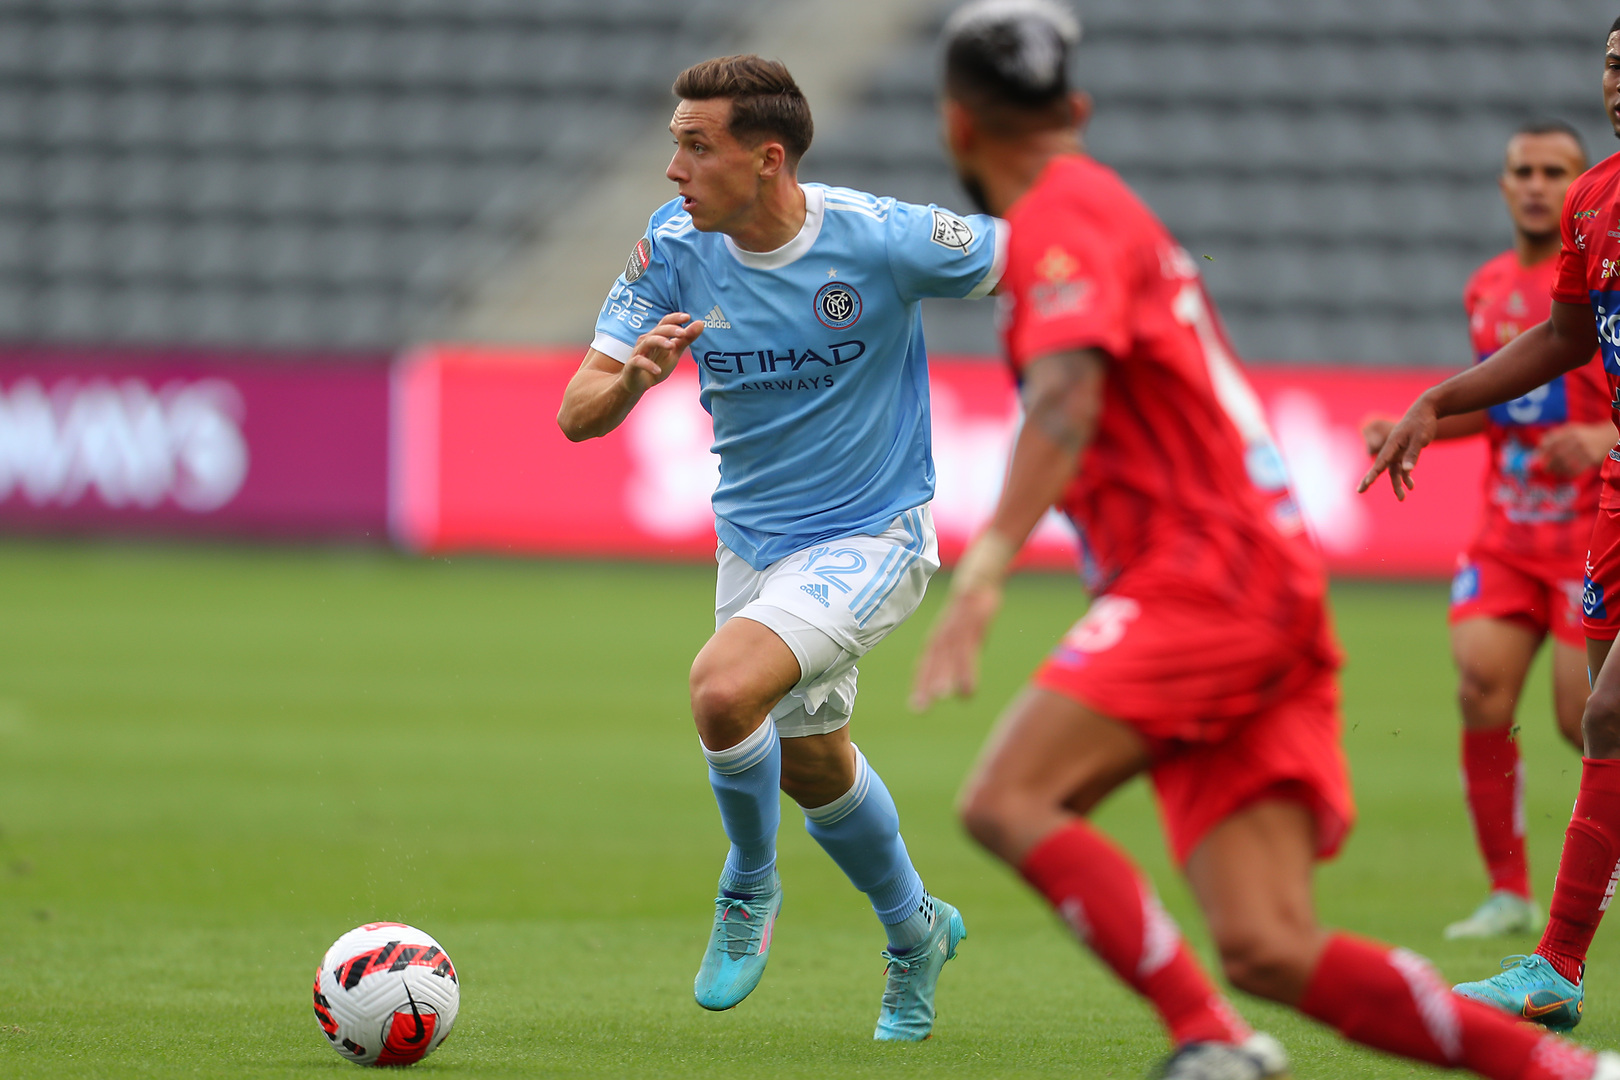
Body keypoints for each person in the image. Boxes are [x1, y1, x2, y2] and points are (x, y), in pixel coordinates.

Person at [914, 2, 1620, 1077]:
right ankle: (1571, 1071)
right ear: (1080, 109)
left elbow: (1064, 395)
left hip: (1205, 576)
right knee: (1266, 944)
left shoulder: (1061, 217)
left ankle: (1218, 1036)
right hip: (1263, 578)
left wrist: (984, 569)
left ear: (957, 125)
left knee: (1007, 800)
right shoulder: (1107, 207)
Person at [555, 54, 1006, 1040]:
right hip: (756, 543)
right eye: (674, 143)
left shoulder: (879, 239)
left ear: (766, 158)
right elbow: (575, 413)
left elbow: (1038, 257)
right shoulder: (673, 247)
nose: (674, 167)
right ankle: (917, 931)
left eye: (695, 146)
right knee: (810, 764)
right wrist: (632, 379)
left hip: (873, 533)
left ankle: (750, 884)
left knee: (723, 691)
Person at [1365, 16, 1620, 1034]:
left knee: (1599, 715)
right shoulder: (1595, 202)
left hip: (1592, 499)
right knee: (1586, 716)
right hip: (1601, 510)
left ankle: (1556, 964)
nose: (1619, 78)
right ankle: (1529, 918)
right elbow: (1563, 338)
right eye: (1613, 61)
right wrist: (1438, 401)